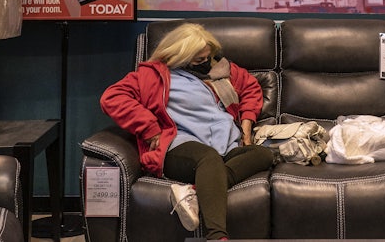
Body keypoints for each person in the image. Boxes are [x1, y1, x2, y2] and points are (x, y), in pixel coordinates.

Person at [101, 23, 274, 240]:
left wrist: (247, 127)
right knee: (209, 159)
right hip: (180, 145)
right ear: (180, 57)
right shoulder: (153, 76)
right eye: (199, 60)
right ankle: (217, 236)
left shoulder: (222, 69)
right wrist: (148, 128)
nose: (206, 64)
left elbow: (250, 88)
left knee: (264, 154)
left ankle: (194, 191)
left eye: (208, 57)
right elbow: (112, 97)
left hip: (226, 145)